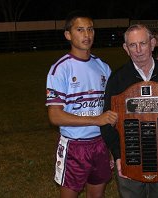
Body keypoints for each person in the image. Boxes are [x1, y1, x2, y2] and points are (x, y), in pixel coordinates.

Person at [100, 24, 158, 198]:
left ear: (153, 43)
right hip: (129, 156)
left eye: (143, 43)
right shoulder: (118, 80)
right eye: (132, 45)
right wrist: (118, 156)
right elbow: (107, 122)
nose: (138, 50)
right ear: (126, 48)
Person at [45, 10, 118, 198]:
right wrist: (96, 119)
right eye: (80, 30)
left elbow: (110, 111)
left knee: (97, 194)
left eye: (90, 29)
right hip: (74, 146)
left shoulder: (103, 67)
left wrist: (109, 146)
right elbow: (55, 115)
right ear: (68, 35)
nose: (87, 35)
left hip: (100, 143)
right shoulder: (61, 69)